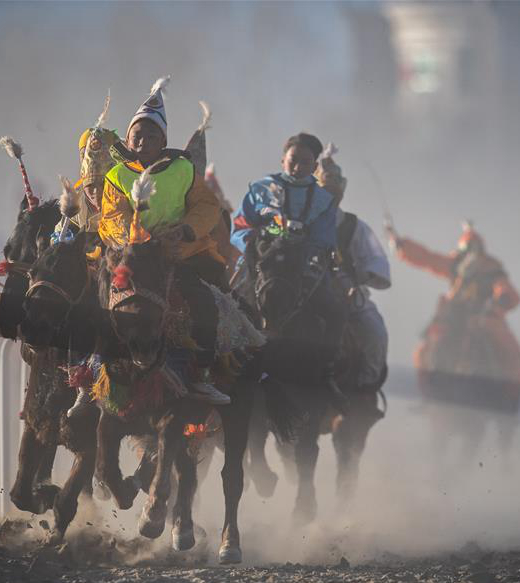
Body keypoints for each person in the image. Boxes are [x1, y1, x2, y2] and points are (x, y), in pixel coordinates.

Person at [98, 77, 230, 404]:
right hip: (131, 259)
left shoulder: (183, 170)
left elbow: (207, 206)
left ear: (163, 140)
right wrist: (135, 234)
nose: (143, 140)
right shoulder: (116, 176)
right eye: (137, 134)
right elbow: (111, 216)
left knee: (203, 303)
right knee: (94, 301)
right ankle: (92, 371)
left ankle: (199, 375)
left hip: (178, 256)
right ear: (127, 139)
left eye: (151, 135)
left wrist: (186, 229)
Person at [231, 132, 347, 395]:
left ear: (315, 167)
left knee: (335, 311)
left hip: (302, 268)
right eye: (293, 160)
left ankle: (326, 370)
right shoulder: (260, 190)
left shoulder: (323, 200)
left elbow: (324, 239)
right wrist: (252, 240)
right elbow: (239, 225)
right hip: (261, 264)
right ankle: (217, 367)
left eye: (305, 163)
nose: (297, 167)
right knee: (227, 302)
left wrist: (300, 247)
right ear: (283, 159)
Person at [386, 222, 520, 395]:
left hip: (484, 316)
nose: (470, 257)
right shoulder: (455, 265)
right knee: (424, 349)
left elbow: (506, 290)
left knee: (511, 353)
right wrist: (402, 246)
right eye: (467, 251)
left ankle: (510, 399)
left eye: (474, 251)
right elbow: (428, 259)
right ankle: (427, 391)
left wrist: (503, 298)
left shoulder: (493, 270)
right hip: (453, 314)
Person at [315, 146, 390, 393]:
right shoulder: (299, 220)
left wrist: (361, 276)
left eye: (335, 189)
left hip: (345, 291)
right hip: (302, 286)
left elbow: (374, 261)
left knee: (375, 331)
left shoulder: (353, 226)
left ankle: (364, 391)